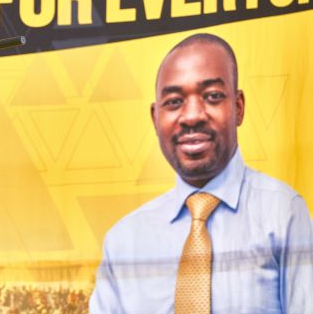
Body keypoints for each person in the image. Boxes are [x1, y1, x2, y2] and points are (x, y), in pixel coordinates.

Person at [89, 33, 313, 313]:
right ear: (155, 117)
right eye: (173, 101)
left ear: (239, 107)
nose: (192, 115)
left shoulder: (283, 213)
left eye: (212, 96)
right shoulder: (123, 242)